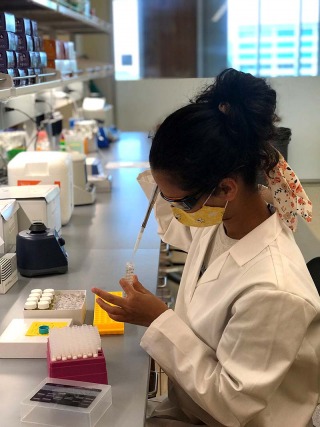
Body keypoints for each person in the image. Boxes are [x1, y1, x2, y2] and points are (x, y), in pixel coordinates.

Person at [92, 68, 320, 427]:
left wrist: (157, 319)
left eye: (181, 201)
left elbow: (233, 405)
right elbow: (180, 229)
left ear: (226, 188)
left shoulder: (274, 290)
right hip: (191, 405)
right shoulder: (224, 221)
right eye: (161, 195)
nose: (176, 210)